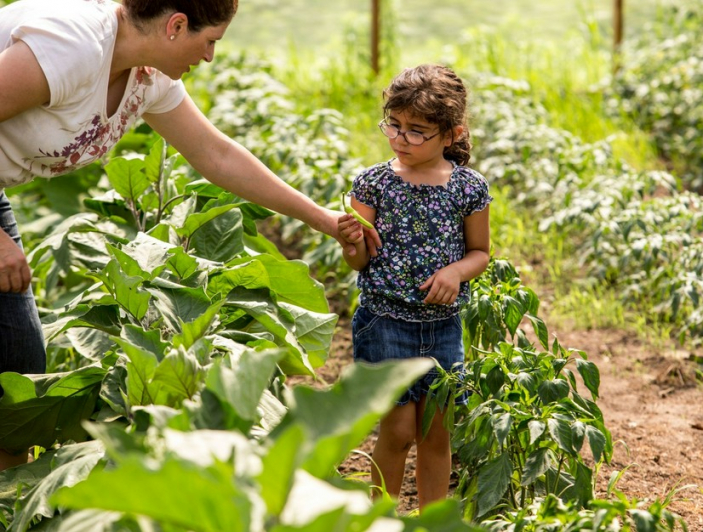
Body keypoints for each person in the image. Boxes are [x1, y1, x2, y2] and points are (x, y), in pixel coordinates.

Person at [0, 0, 379, 471]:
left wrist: (322, 218)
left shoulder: (147, 76)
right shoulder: (74, 45)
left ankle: (9, 498)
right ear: (176, 26)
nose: (209, 58)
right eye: (210, 41)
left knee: (16, 365)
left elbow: (215, 154)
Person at [338, 64, 492, 508]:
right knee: (399, 429)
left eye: (417, 130)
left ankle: (429, 519)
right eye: (395, 125)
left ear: (450, 133)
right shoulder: (374, 183)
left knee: (436, 433)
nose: (400, 138)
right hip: (385, 321)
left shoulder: (468, 188)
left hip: (443, 325)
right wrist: (351, 244)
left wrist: (454, 273)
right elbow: (358, 261)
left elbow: (480, 252)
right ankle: (380, 515)